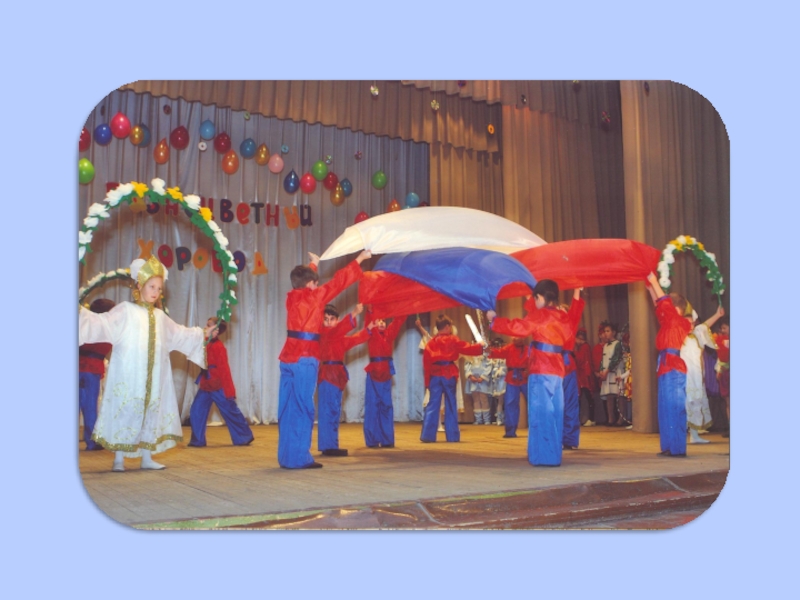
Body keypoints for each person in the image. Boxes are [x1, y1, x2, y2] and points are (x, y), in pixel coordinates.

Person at [79, 256, 215, 472]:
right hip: (129, 372)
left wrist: (202, 333)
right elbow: (102, 323)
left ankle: (146, 457)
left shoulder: (160, 316)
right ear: (139, 285)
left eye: (159, 289)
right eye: (151, 286)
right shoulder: (126, 310)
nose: (155, 292)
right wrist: (81, 314)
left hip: (154, 375)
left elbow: (179, 334)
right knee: (126, 410)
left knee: (150, 411)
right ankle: (119, 458)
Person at [278, 250, 371, 469]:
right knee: (303, 406)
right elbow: (339, 282)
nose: (318, 286)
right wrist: (359, 259)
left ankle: (286, 457)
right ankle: (299, 458)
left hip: (288, 357)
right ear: (311, 285)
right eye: (316, 283)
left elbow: (303, 281)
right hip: (305, 357)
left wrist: (314, 264)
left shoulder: (291, 298)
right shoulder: (315, 297)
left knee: (287, 407)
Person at [488, 281, 583, 466]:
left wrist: (495, 320)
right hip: (557, 370)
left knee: (541, 412)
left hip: (541, 368)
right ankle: (552, 454)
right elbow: (569, 334)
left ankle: (543, 457)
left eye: (535, 299)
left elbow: (518, 327)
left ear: (540, 297)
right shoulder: (563, 317)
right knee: (555, 412)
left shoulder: (541, 315)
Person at [645, 272, 693, 457]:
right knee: (665, 407)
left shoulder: (679, 321)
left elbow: (663, 303)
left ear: (676, 308)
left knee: (674, 407)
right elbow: (659, 306)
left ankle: (677, 448)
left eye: (669, 305)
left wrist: (654, 281)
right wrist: (651, 289)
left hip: (674, 367)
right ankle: (668, 446)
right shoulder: (669, 321)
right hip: (665, 365)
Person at [188, 318, 254, 448]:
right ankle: (197, 440)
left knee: (230, 409)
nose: (205, 327)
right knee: (196, 410)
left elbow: (225, 369)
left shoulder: (219, 347)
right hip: (206, 384)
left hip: (218, 385)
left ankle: (244, 437)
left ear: (216, 330)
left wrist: (229, 390)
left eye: (209, 325)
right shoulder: (204, 343)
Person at [317, 303, 371, 456]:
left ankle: (331, 445)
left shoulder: (338, 338)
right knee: (327, 411)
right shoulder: (324, 333)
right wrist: (353, 313)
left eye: (332, 319)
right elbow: (338, 330)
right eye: (326, 319)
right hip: (327, 375)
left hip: (336, 375)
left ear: (337, 319)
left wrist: (369, 329)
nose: (328, 322)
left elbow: (355, 339)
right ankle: (328, 446)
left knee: (334, 410)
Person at [420, 315, 484, 442]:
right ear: (447, 327)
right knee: (450, 404)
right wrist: (480, 346)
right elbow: (467, 348)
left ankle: (427, 435)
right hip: (448, 373)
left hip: (435, 375)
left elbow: (426, 364)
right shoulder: (453, 340)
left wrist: (427, 382)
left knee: (433, 404)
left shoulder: (430, 343)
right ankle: (452, 436)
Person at [681, 304, 725, 443]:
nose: (691, 325)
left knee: (696, 402)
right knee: (685, 404)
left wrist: (717, 315)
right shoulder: (678, 336)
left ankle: (694, 436)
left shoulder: (697, 334)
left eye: (692, 323)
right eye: (688, 323)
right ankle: (682, 435)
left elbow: (705, 325)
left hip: (697, 376)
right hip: (684, 376)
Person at [363, 311, 406, 448]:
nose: (381, 322)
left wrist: (404, 307)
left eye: (383, 320)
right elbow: (368, 319)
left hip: (386, 373)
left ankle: (387, 439)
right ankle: (372, 440)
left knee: (386, 406)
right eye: (378, 320)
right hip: (373, 374)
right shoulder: (372, 333)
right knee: (372, 406)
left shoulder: (389, 334)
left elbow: (398, 321)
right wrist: (371, 310)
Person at [79, 298, 115, 450]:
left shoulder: (84, 324)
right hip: (91, 370)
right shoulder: (108, 330)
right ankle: (92, 441)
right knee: (90, 406)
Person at [488, 337, 529, 438]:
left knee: (534, 403)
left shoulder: (529, 349)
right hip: (512, 378)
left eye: (518, 337)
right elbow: (497, 353)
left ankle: (537, 429)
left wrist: (530, 371)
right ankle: (510, 431)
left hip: (526, 377)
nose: (516, 339)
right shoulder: (509, 348)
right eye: (514, 337)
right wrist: (488, 350)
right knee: (510, 403)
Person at [559, 296, 585, 449]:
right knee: (556, 405)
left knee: (570, 404)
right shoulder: (549, 326)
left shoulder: (571, 324)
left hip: (568, 368)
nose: (560, 313)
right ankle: (557, 438)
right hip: (553, 368)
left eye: (564, 311)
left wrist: (577, 289)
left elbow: (575, 309)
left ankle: (569, 439)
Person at [598, 322, 625, 426]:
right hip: (606, 374)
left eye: (608, 331)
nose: (606, 333)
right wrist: (601, 370)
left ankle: (621, 419)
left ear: (613, 332)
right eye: (605, 331)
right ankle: (610, 418)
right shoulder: (605, 346)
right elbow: (603, 359)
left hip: (615, 373)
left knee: (619, 396)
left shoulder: (618, 344)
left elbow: (616, 358)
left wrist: (607, 370)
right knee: (609, 396)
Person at [574, 328, 596, 426]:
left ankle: (591, 418)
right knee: (583, 398)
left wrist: (573, 354)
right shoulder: (583, 347)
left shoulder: (584, 347)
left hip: (584, 377)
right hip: (581, 376)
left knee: (587, 398)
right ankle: (582, 418)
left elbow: (580, 360)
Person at [713, 316, 730, 438]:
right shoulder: (721, 340)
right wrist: (719, 369)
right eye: (721, 328)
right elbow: (720, 358)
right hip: (725, 373)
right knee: (728, 401)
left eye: (725, 328)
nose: (723, 330)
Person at [465, 353, 494, 425]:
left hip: (483, 381)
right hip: (473, 381)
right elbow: (467, 367)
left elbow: (489, 366)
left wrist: (483, 377)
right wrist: (470, 376)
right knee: (476, 400)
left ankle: (486, 419)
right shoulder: (470, 357)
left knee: (484, 399)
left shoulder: (485, 356)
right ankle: (478, 419)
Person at [591, 323, 608, 424]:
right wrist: (597, 373)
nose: (604, 336)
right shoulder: (596, 348)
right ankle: (606, 418)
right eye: (602, 334)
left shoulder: (611, 346)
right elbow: (594, 361)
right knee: (603, 397)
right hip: (600, 376)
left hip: (609, 374)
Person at [489, 337, 507, 426]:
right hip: (500, 382)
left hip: (507, 380)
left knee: (508, 401)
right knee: (500, 401)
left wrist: (503, 371)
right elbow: (494, 369)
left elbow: (508, 367)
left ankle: (507, 418)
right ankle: (499, 418)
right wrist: (497, 372)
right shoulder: (496, 359)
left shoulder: (507, 357)